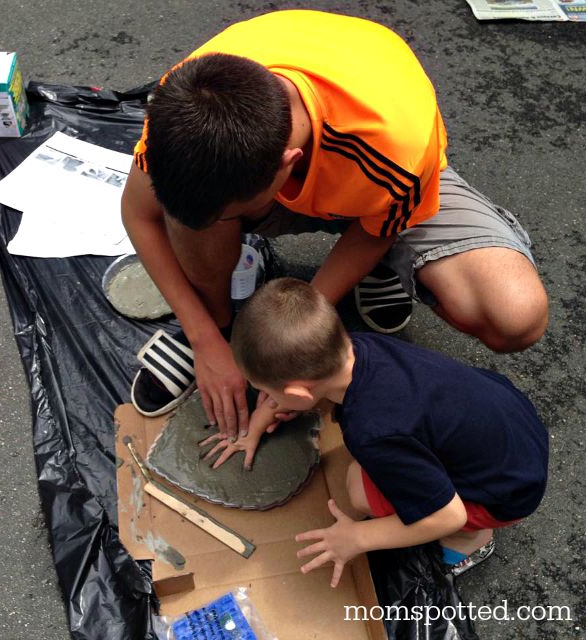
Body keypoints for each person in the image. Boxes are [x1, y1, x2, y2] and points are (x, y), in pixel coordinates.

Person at [121, 10, 548, 438]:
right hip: (309, 174)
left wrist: (298, 333)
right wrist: (205, 340)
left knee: (515, 318)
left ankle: (386, 268)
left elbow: (374, 230)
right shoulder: (186, 107)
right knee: (195, 215)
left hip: (384, 183)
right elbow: (138, 213)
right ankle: (217, 320)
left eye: (232, 214)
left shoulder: (395, 143)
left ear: (288, 165)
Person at [203, 277, 548, 583]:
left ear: (298, 393)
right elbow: (302, 392)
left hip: (508, 493)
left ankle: (472, 541)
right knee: (374, 464)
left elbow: (447, 514)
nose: (266, 400)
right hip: (512, 422)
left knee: (358, 487)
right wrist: (260, 421)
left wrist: (358, 538)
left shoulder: (373, 432)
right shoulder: (358, 346)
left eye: (266, 392)